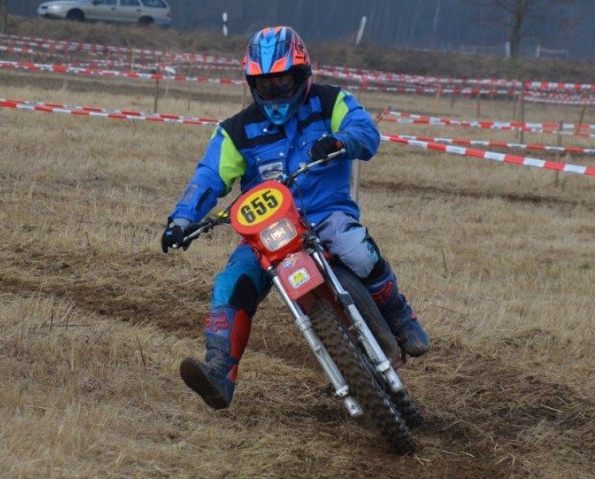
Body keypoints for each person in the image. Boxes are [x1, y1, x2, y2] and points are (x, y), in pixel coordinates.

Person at [161, 26, 428, 410]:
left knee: (357, 248)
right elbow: (209, 177)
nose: (275, 93)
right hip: (267, 232)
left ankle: (401, 316)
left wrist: (341, 141)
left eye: (283, 82)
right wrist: (182, 221)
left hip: (326, 216)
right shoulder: (235, 131)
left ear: (302, 76)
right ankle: (220, 372)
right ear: (252, 84)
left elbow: (365, 132)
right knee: (229, 285)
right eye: (265, 85)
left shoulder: (331, 102)